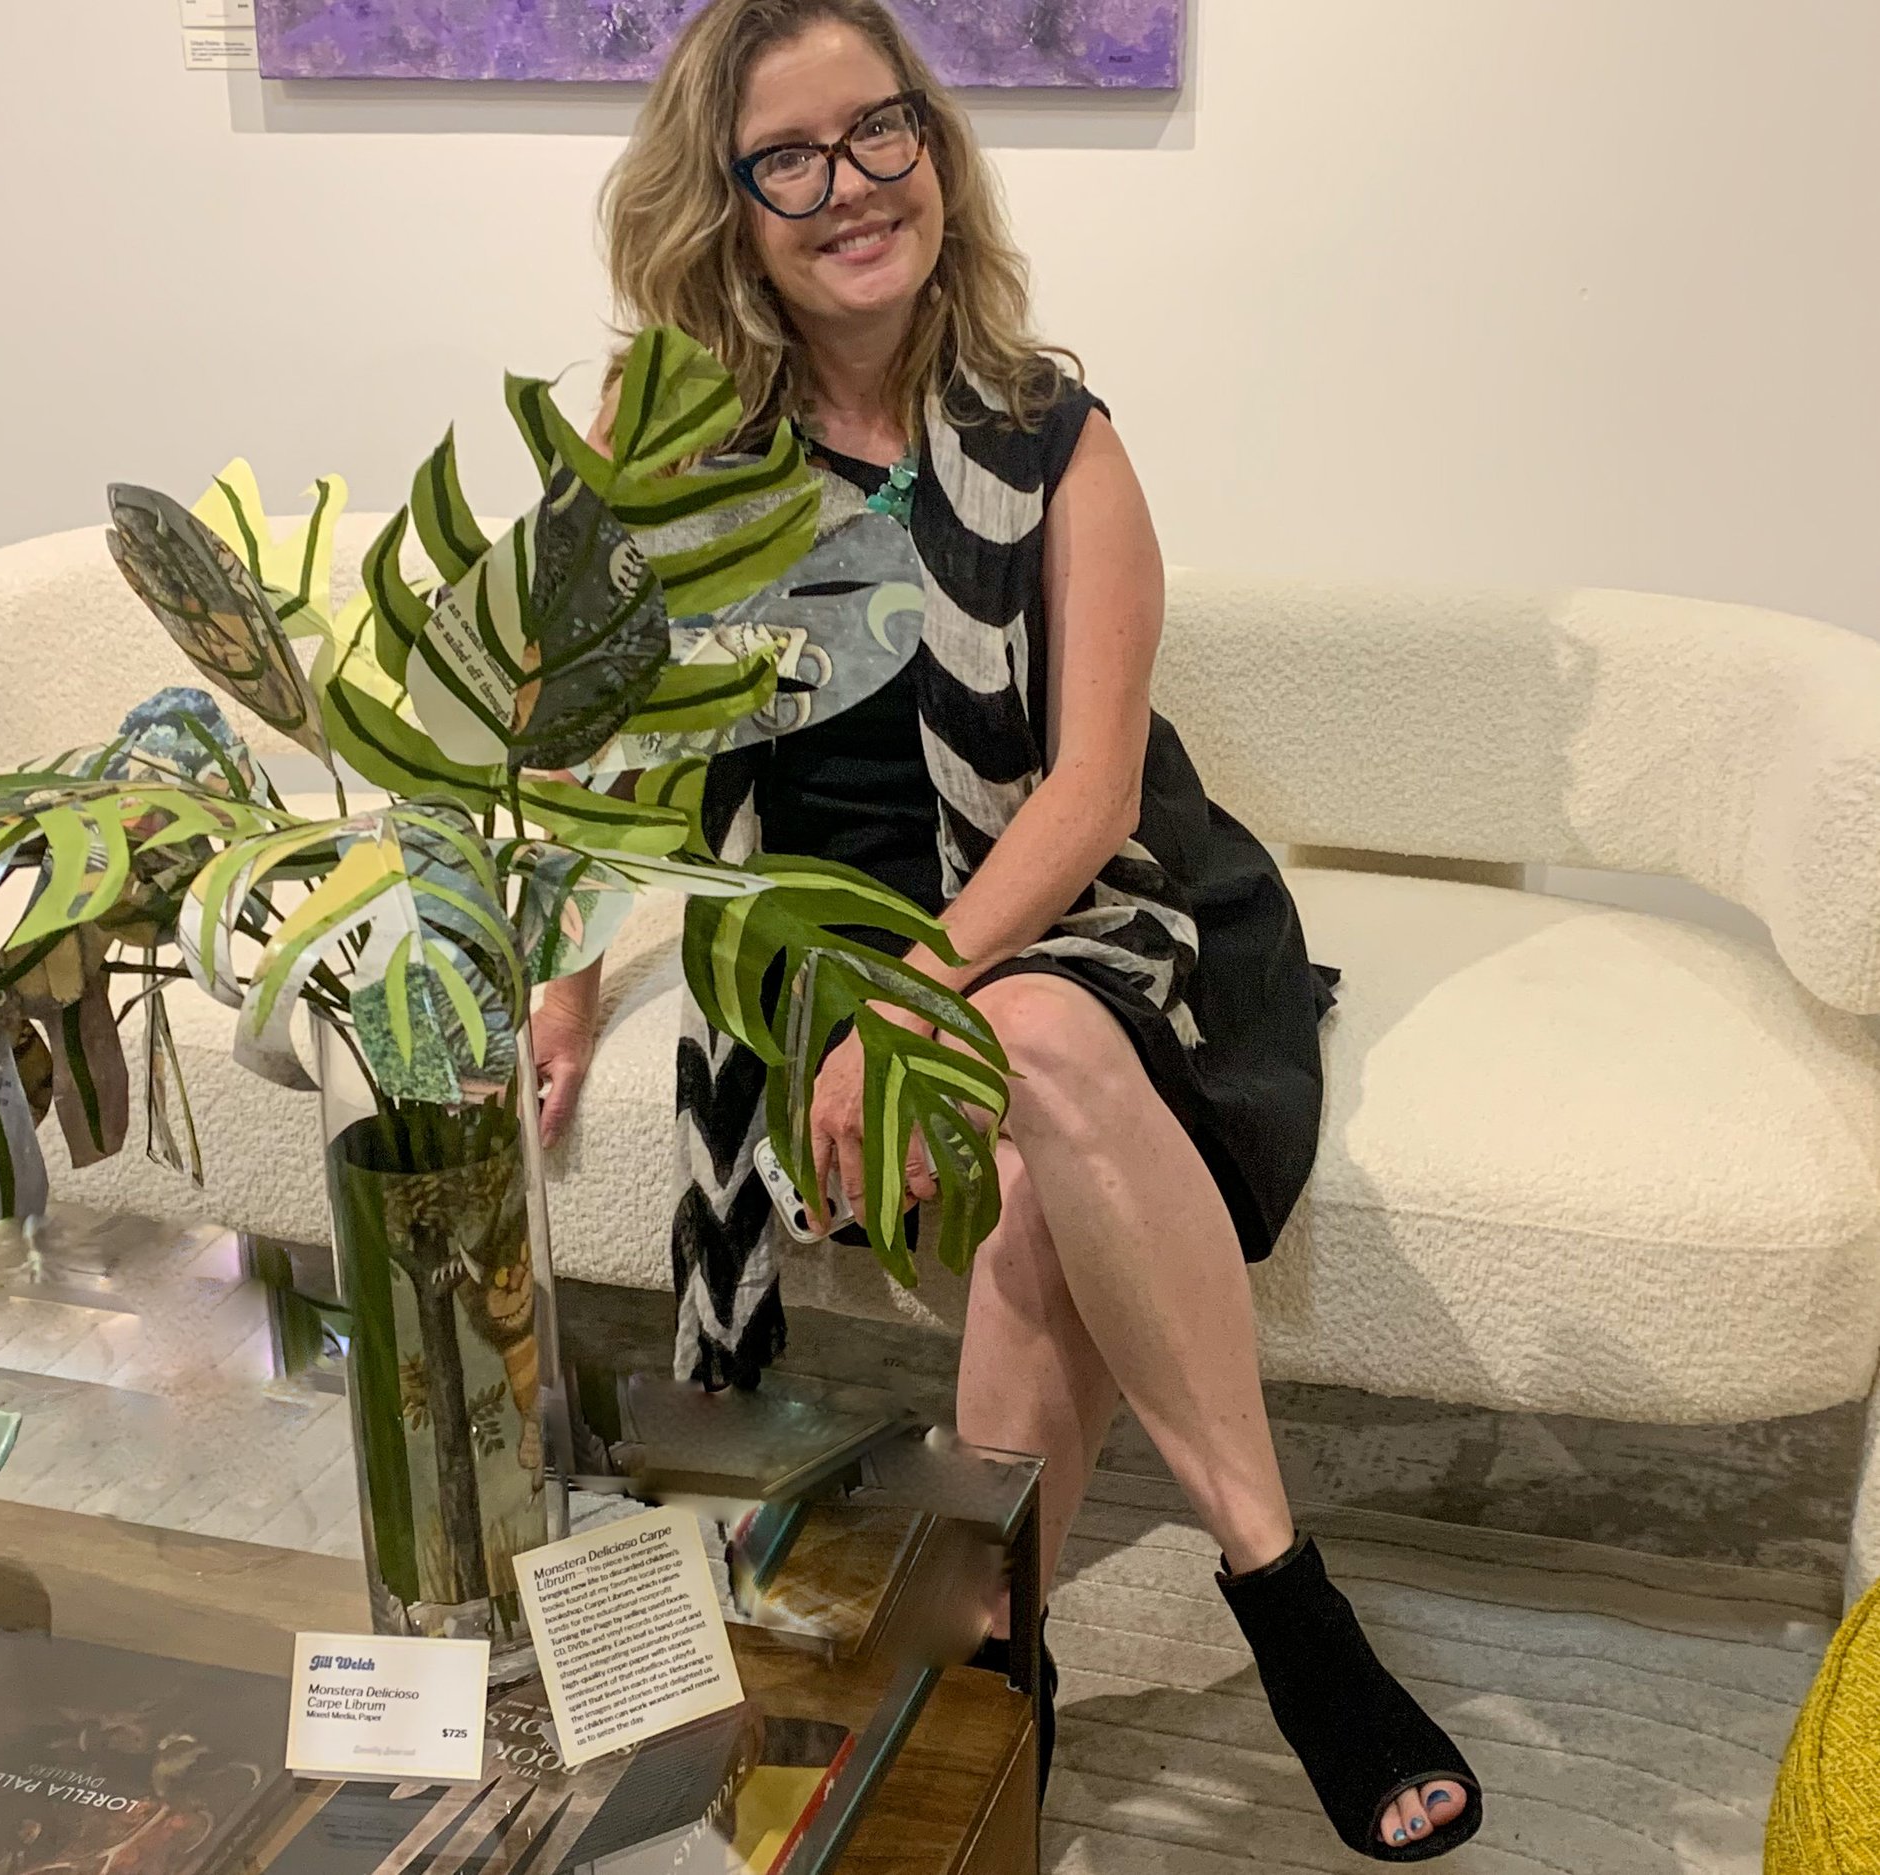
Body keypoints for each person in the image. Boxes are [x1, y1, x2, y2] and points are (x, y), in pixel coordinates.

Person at [531, 0, 1484, 1859]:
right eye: (788, 157)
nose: (850, 185)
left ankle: (1213, 1608)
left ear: (936, 147)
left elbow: (1095, 796)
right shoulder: (658, 448)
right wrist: (566, 991)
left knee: (1039, 1039)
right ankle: (1037, 1646)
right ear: (724, 205)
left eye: (879, 130)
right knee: (1041, 1151)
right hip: (824, 945)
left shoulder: (1055, 437)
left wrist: (924, 994)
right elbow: (576, 735)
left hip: (1088, 907)